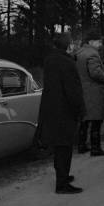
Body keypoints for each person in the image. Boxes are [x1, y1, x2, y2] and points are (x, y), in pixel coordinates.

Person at [36, 33, 85, 194]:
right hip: (65, 109)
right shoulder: (67, 62)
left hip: (51, 107)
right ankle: (62, 184)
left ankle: (62, 176)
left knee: (59, 146)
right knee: (65, 146)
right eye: (72, 44)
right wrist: (79, 109)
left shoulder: (49, 59)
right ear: (68, 46)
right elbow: (73, 90)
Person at [75, 31, 104, 156]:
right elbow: (95, 73)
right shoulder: (92, 54)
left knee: (84, 120)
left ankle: (81, 145)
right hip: (94, 92)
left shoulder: (79, 52)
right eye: (97, 41)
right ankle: (95, 148)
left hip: (81, 90)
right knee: (96, 120)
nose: (100, 44)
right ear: (91, 41)